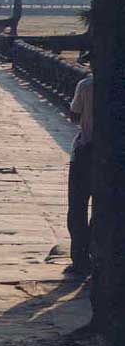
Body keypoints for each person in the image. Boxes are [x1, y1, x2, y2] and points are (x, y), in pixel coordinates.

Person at [66, 54, 93, 276]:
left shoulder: (86, 85)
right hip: (115, 155)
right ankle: (101, 253)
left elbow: (74, 116)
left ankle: (80, 258)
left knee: (78, 208)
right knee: (107, 208)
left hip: (86, 151)